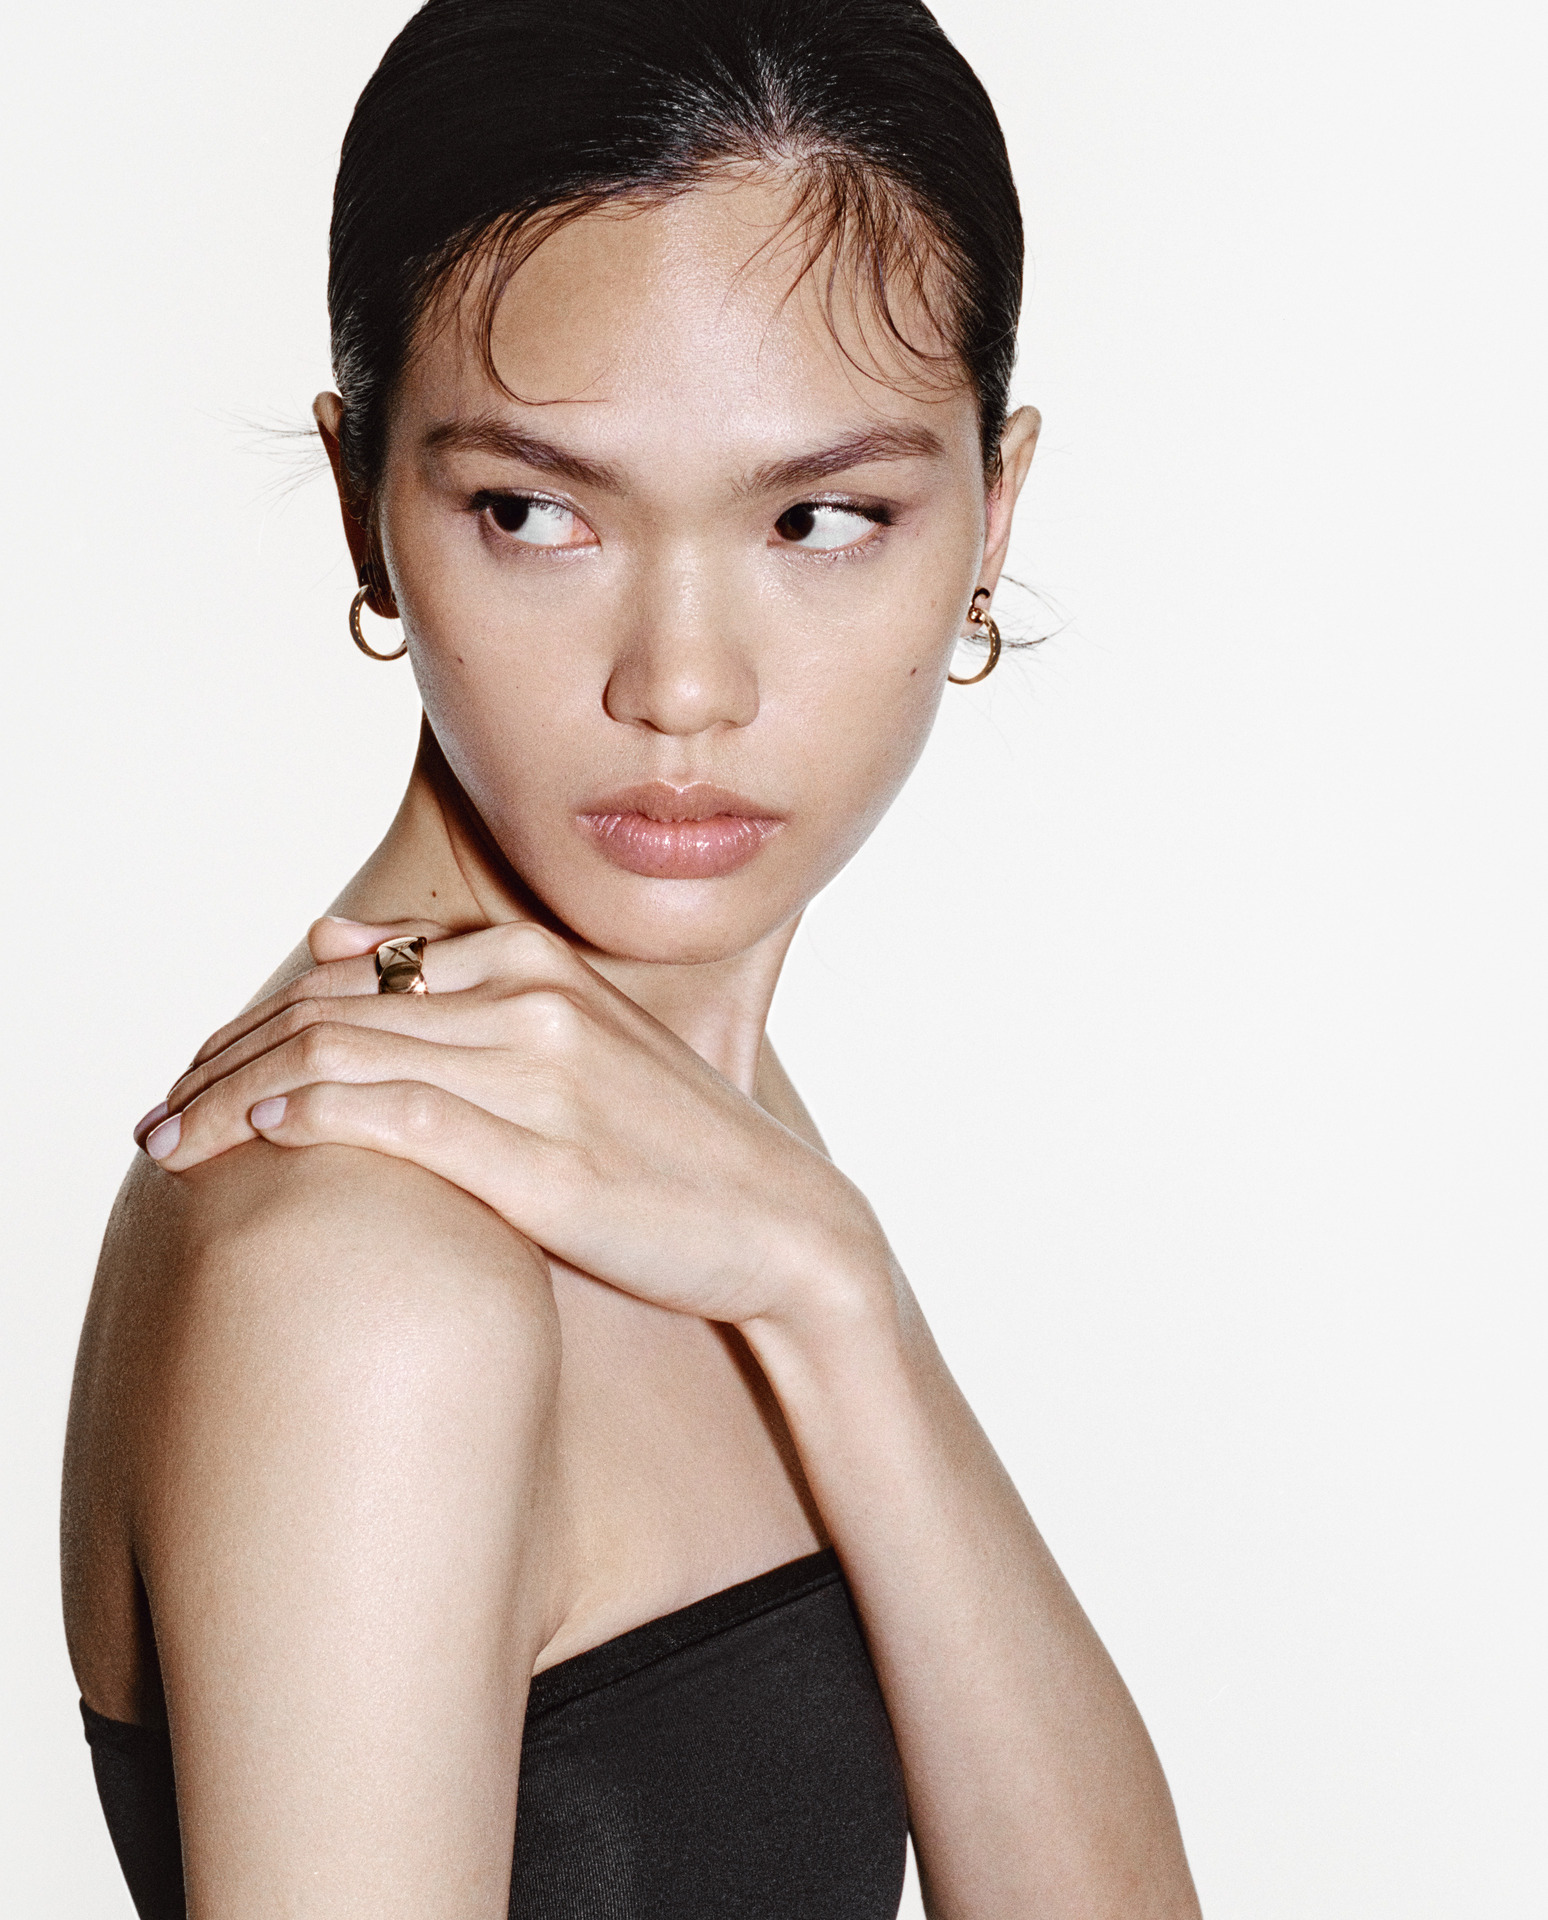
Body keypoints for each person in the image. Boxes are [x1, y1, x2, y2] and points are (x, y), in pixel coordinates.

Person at [61, 2, 1202, 1915]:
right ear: (363, 504)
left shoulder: (663, 1111)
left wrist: (831, 1287)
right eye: (535, 512)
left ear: (992, 514)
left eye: (821, 518)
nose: (682, 685)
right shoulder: (369, 1280)